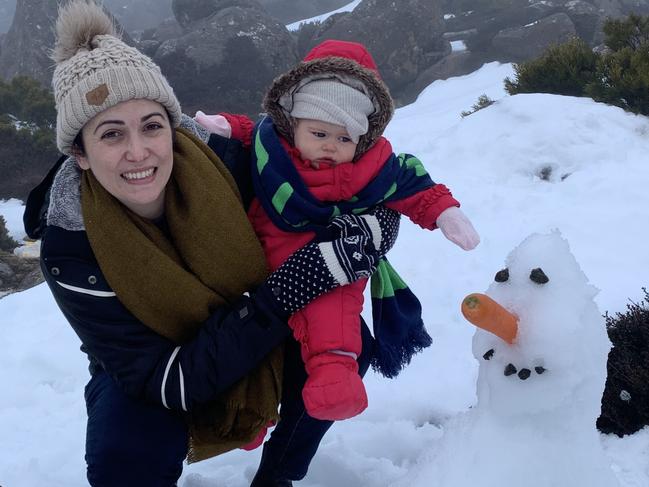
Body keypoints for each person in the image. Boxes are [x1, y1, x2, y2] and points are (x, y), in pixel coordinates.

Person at [23, 3, 401, 486]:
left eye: (152, 125)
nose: (138, 152)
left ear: (174, 126)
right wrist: (287, 290)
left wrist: (376, 231)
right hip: (156, 363)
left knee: (347, 350)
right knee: (125, 453)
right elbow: (164, 380)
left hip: (247, 319)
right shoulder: (71, 247)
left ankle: (278, 475)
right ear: (79, 152)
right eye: (111, 134)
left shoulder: (228, 159)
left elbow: (350, 184)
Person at [196, 40, 480, 424]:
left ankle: (335, 375)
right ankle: (246, 419)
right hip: (257, 253)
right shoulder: (270, 146)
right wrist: (226, 126)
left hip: (326, 255)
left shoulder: (374, 165)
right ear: (293, 124)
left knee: (336, 309)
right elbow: (249, 132)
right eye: (319, 134)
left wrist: (445, 211)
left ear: (362, 138)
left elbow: (414, 186)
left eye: (344, 138)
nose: (330, 146)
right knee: (244, 342)